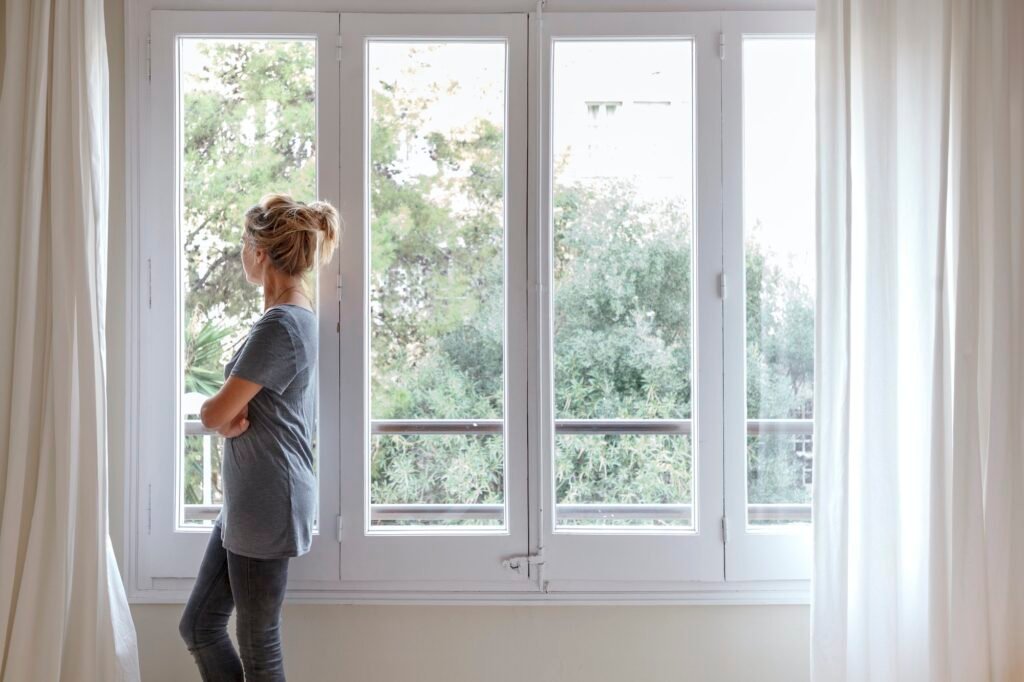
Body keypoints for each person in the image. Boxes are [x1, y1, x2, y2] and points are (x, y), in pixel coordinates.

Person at [178, 193, 340, 681]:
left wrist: (224, 418)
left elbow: (213, 413)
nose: (241, 253)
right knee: (201, 625)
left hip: (266, 501)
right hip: (249, 502)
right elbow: (235, 412)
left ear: (260, 252)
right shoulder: (290, 318)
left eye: (243, 244)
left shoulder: (282, 325)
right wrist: (228, 418)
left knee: (258, 646)